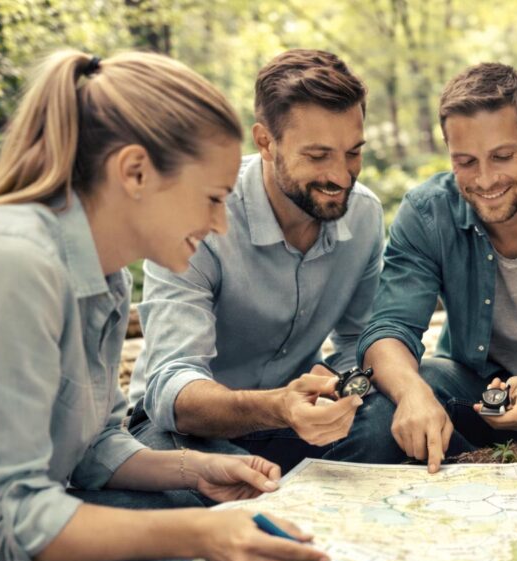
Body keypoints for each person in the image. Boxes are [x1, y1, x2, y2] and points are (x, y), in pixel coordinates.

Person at [0, 51, 331, 561]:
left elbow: (93, 448)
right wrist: (199, 534)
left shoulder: (105, 275)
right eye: (213, 198)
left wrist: (200, 469)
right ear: (135, 171)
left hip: (16, 522)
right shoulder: (14, 264)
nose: (220, 225)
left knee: (192, 531)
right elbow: (1, 519)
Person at [338, 63, 517, 472]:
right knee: (393, 397)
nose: (485, 179)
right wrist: (412, 394)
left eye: (502, 156)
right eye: (466, 161)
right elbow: (390, 326)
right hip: (470, 388)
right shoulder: (427, 213)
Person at [127, 49, 394, 473]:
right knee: (188, 469)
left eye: (353, 153)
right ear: (266, 142)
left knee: (393, 420)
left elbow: (360, 343)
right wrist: (278, 406)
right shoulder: (201, 214)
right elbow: (170, 388)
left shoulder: (363, 215)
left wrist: (338, 385)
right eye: (318, 155)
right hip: (187, 431)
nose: (342, 177)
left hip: (294, 425)